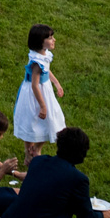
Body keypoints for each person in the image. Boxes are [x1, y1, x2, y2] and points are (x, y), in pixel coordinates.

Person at [13, 23, 66, 166]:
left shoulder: (44, 55)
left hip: (45, 89)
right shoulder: (36, 62)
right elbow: (34, 85)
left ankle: (36, 148)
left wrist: (56, 83)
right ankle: (28, 152)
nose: (53, 40)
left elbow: (47, 70)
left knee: (51, 120)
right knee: (31, 120)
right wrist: (43, 106)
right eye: (49, 38)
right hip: (35, 94)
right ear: (40, 42)